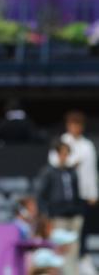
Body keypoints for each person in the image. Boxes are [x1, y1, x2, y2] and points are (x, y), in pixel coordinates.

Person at [49, 110, 98, 272]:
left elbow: (91, 171)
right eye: (72, 124)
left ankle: (79, 263)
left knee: (80, 233)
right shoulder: (62, 142)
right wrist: (72, 162)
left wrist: (93, 193)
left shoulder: (88, 145)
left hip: (82, 196)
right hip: (64, 198)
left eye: (78, 124)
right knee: (61, 235)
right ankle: (61, 267)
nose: (75, 128)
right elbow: (54, 162)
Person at [37, 140, 84, 275]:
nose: (64, 156)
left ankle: (72, 273)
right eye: (62, 153)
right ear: (57, 154)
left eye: (66, 153)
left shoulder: (72, 172)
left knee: (73, 249)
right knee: (59, 249)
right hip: (57, 216)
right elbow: (41, 195)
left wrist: (79, 210)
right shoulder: (49, 172)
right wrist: (45, 215)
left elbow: (76, 192)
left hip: (74, 215)